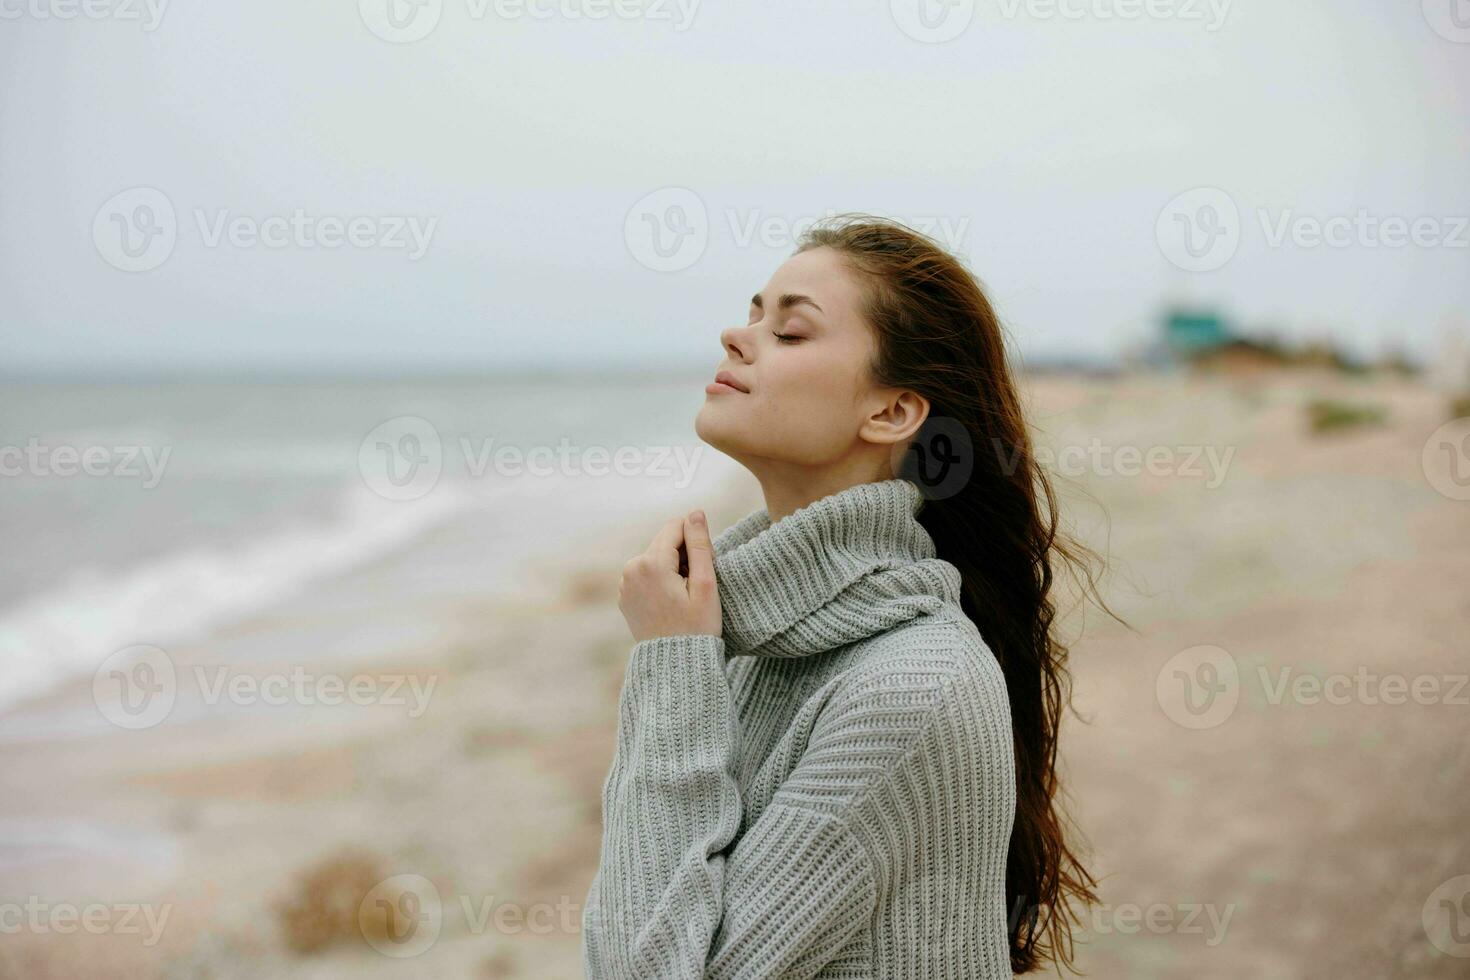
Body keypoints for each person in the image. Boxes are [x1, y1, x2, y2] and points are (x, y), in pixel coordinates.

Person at [582, 214, 1113, 978]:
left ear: (892, 412)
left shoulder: (915, 685)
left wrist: (670, 662)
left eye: (791, 332)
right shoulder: (750, 636)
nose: (738, 336)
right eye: (754, 313)